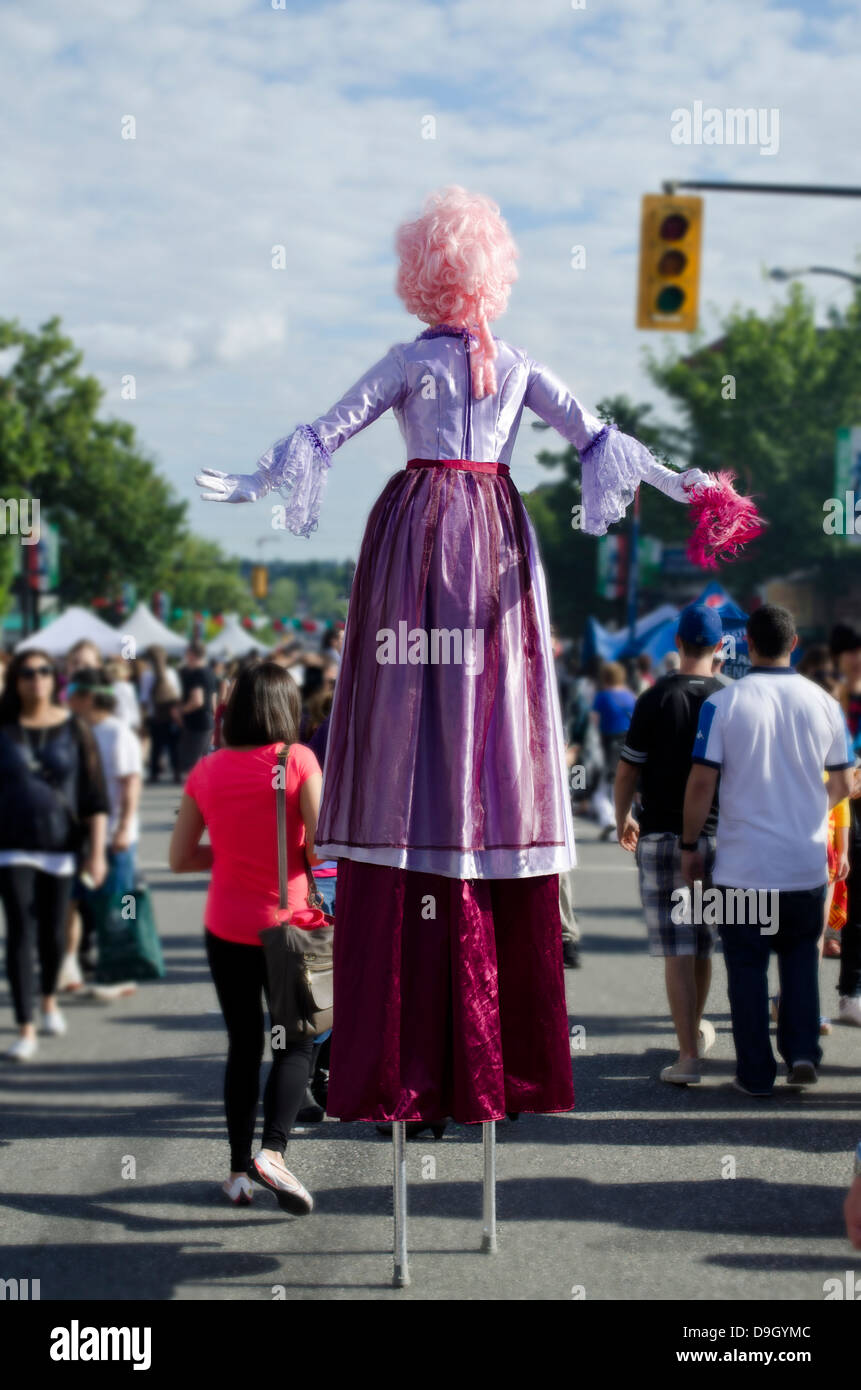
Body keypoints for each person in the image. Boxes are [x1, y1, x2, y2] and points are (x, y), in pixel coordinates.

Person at [195, 184, 759, 1133]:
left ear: (424, 274)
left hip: (424, 526)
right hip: (487, 528)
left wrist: (263, 477)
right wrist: (691, 485)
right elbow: (602, 438)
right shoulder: (510, 364)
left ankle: (445, 813)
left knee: (431, 684)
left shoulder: (413, 362)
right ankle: (456, 809)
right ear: (487, 274)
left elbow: (333, 429)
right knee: (480, 686)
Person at [169, 660, 323, 1212]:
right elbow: (320, 848)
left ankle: (237, 1173)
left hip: (226, 926)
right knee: (299, 1042)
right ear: (287, 709)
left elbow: (181, 857)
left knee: (244, 1045)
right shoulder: (299, 759)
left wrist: (234, 853)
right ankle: (274, 1154)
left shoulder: (206, 769)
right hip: (289, 927)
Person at [682, 605, 853, 1097]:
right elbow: (842, 781)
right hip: (804, 864)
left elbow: (700, 784)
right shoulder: (825, 704)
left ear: (747, 645)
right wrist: (804, 808)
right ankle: (802, 1052)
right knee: (801, 961)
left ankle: (754, 1072)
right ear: (794, 643)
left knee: (746, 967)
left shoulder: (724, 705)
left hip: (743, 868)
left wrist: (691, 844)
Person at [614, 605, 724, 1084]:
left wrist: (622, 818)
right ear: (721, 648)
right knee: (702, 946)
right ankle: (694, 1033)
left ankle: (687, 1057)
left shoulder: (655, 697)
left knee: (679, 949)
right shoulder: (730, 699)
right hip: (720, 838)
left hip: (661, 835)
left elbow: (627, 769)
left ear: (677, 643)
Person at [0, 650, 108, 1060]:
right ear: (16, 680)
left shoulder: (74, 729)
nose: (36, 679)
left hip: (61, 847)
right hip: (10, 848)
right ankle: (25, 1025)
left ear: (55, 679)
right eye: (27, 673)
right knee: (20, 934)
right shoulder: (4, 729)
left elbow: (94, 796)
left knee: (50, 934)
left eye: (45, 671)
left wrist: (96, 852)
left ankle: (48, 1001)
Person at [591, 662, 637, 842]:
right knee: (623, 782)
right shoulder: (630, 696)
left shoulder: (602, 697)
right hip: (628, 742)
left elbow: (594, 721)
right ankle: (624, 818)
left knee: (603, 786)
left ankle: (609, 819)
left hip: (607, 743)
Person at [143, 646, 182, 784]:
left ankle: (154, 774)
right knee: (174, 746)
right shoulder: (171, 672)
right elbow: (178, 694)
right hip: (171, 714)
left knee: (156, 746)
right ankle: (177, 773)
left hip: (156, 715)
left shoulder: (147, 675)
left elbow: (145, 698)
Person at [178, 643, 216, 774]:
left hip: (197, 723)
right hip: (207, 720)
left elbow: (197, 701)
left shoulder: (197, 674)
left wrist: (181, 711)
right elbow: (213, 699)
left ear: (192, 654)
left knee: (193, 764)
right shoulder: (209, 672)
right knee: (203, 761)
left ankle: (195, 793)